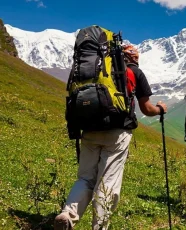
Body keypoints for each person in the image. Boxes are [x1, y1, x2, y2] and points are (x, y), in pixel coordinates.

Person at [54, 45, 167, 230]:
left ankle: (68, 215)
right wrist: (161, 109)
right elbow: (147, 108)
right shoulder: (133, 72)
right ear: (133, 57)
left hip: (89, 130)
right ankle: (99, 227)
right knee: (107, 182)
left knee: (85, 179)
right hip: (117, 132)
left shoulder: (95, 71)